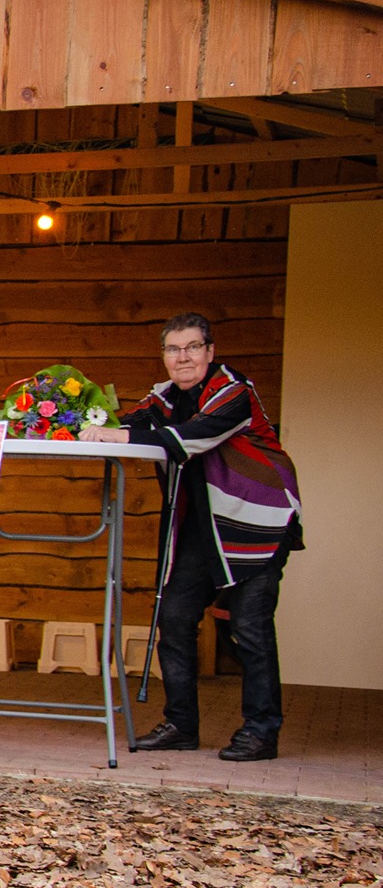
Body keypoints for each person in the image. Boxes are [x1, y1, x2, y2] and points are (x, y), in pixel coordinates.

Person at [85, 312, 300, 762]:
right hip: (202, 533)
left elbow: (193, 436)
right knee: (176, 619)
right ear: (164, 356)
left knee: (250, 630)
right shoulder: (163, 397)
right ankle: (182, 725)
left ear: (210, 352)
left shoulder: (234, 393)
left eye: (192, 348)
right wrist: (83, 426)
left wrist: (121, 434)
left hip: (255, 525)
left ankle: (262, 731)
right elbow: (133, 423)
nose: (182, 357)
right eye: (172, 349)